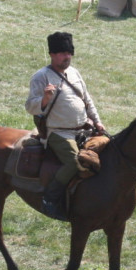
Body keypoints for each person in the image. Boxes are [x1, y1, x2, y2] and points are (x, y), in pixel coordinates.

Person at [25, 31, 106, 221]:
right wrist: (44, 99)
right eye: (62, 53)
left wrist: (98, 121)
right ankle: (50, 199)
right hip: (58, 133)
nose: (67, 57)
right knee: (74, 162)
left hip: (84, 129)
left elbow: (87, 100)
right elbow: (30, 106)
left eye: (69, 53)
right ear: (52, 54)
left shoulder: (75, 73)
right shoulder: (40, 77)